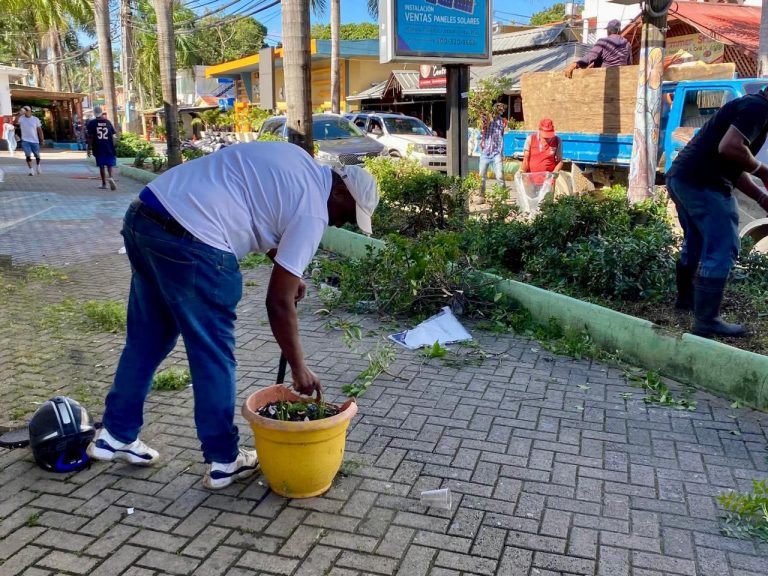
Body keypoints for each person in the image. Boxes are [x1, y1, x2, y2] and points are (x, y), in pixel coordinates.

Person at [86, 141, 379, 490]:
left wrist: (289, 271)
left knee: (147, 340)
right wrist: (299, 368)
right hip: (197, 243)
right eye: (346, 214)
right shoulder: (315, 211)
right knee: (212, 354)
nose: (340, 223)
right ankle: (224, 460)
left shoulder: (298, 162)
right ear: (341, 190)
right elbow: (278, 302)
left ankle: (115, 434)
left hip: (145, 217)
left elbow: (257, 202)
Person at [666, 86, 768, 338]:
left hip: (682, 177)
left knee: (697, 241)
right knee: (724, 246)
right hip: (703, 182)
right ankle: (707, 321)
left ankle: (685, 302)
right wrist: (763, 172)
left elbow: (732, 163)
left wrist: (759, 195)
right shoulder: (758, 108)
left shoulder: (750, 104)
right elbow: (730, 147)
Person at [564, 19, 631, 78]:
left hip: (604, 77)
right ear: (619, 31)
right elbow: (629, 64)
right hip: (621, 78)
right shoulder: (627, 44)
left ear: (608, 31)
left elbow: (590, 56)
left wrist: (575, 64)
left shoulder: (604, 41)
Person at [477, 102, 508, 203]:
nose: (500, 112)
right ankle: (481, 196)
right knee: (481, 176)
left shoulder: (502, 122)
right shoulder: (487, 119)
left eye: (501, 110)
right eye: (498, 109)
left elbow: (503, 135)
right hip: (485, 152)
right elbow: (482, 121)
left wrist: (501, 151)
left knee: (499, 175)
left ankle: (502, 196)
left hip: (496, 153)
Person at [87, 106, 118, 190]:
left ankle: (104, 184)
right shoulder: (108, 122)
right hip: (109, 147)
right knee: (109, 165)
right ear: (101, 112)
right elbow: (113, 135)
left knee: (101, 166)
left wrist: (89, 148)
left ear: (94, 113)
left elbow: (90, 137)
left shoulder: (92, 123)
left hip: (98, 147)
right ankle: (111, 177)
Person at [18, 106, 44, 176]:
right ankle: (31, 170)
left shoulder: (35, 119)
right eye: (24, 110)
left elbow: (39, 130)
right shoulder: (21, 118)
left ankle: (38, 166)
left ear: (30, 111)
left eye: (26, 110)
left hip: (35, 141)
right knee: (27, 155)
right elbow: (15, 122)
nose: (25, 111)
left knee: (37, 155)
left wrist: (42, 139)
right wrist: (19, 114)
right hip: (25, 140)